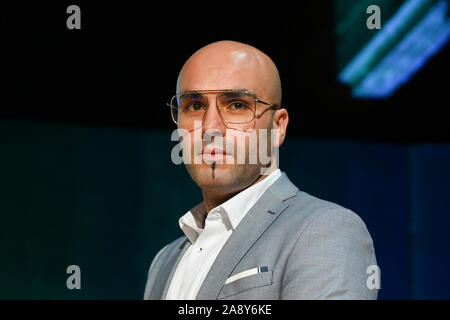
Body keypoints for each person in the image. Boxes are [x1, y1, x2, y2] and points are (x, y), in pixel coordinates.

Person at [143, 40, 378, 300]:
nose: (210, 127)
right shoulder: (164, 262)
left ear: (278, 126)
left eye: (237, 105)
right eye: (195, 106)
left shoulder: (324, 229)